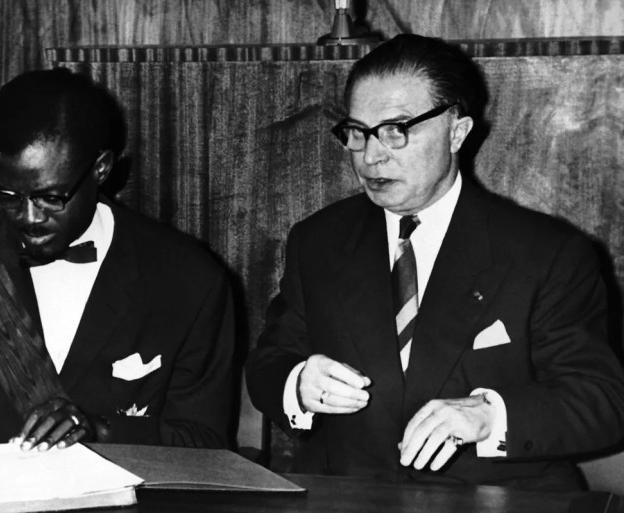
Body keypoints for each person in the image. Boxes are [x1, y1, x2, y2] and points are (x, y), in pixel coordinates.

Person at [245, 34, 624, 490]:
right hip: (348, 497)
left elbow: (603, 401)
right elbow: (269, 364)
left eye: (396, 129)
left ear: (457, 131)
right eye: (358, 132)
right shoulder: (319, 239)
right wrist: (298, 383)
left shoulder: (547, 253)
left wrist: (489, 416)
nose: (371, 155)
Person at [0, 68, 235, 454]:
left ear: (101, 169)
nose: (28, 217)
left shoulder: (188, 279)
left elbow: (205, 444)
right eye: (6, 195)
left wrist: (99, 430)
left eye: (51, 196)